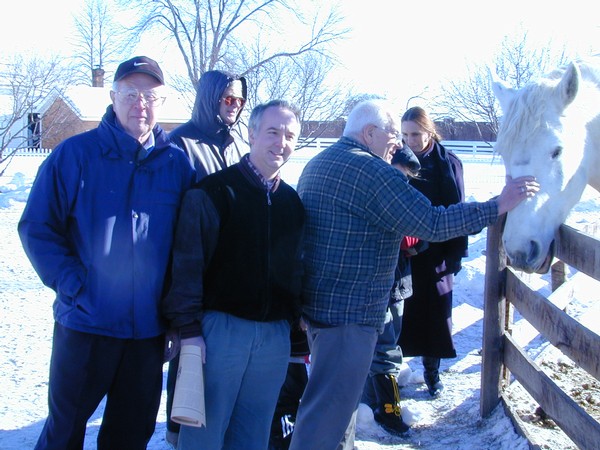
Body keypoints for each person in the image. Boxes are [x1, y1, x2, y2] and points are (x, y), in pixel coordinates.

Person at [288, 98, 539, 450]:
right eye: (393, 134)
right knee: (327, 412)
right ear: (370, 132)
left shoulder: (319, 163)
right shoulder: (373, 171)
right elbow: (432, 222)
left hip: (320, 311)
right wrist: (497, 206)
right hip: (350, 316)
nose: (399, 144)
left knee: (332, 407)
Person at [17, 56, 196, 449]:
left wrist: (172, 312)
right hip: (85, 325)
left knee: (129, 437)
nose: (141, 104)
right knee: (64, 433)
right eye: (130, 94)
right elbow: (37, 227)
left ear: (162, 102)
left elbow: (187, 247)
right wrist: (73, 284)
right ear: (113, 97)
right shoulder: (75, 155)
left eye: (150, 96)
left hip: (146, 333)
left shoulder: (177, 166)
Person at [163, 100, 305, 450]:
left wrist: (295, 328)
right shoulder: (212, 193)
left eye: (289, 135)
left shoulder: (292, 203)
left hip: (273, 338)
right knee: (204, 436)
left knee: (253, 435)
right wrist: (189, 331)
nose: (280, 142)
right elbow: (186, 266)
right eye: (272, 132)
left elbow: (297, 270)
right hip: (219, 333)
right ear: (252, 133)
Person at [164, 69, 249, 447]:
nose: (235, 107)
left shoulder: (235, 143)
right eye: (228, 99)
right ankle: (176, 429)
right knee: (187, 353)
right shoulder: (179, 144)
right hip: (188, 265)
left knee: (213, 358)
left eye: (240, 100)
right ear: (210, 97)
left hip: (226, 268)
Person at [398, 106, 465, 397]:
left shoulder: (446, 162)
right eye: (405, 134)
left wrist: (455, 253)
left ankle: (432, 372)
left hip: (437, 250)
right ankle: (393, 373)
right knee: (403, 314)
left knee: (435, 314)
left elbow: (458, 207)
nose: (410, 140)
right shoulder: (396, 160)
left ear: (429, 132)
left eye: (415, 134)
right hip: (404, 251)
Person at [360, 143, 426, 435]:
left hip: (397, 283)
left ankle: (375, 404)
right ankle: (386, 410)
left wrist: (413, 241)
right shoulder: (372, 193)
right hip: (374, 284)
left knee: (387, 343)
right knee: (380, 347)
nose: (402, 182)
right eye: (398, 174)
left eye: (407, 178)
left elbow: (422, 232)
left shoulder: (407, 197)